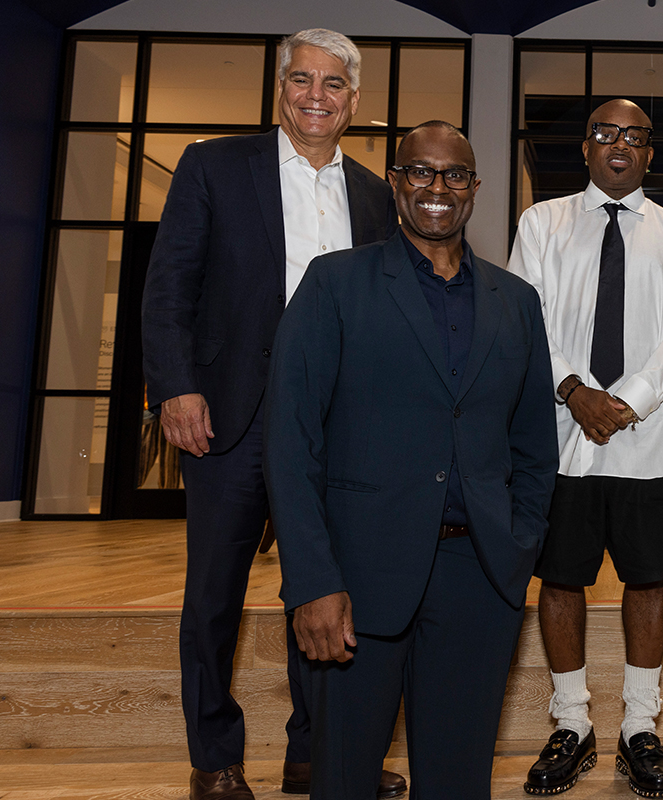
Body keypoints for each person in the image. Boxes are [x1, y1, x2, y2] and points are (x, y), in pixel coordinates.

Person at [140, 29, 403, 800]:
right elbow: (168, 289)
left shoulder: (375, 195)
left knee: (324, 585)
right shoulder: (214, 166)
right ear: (280, 89)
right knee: (214, 592)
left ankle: (314, 754)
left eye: (332, 84)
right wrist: (175, 388)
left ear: (353, 101)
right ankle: (214, 757)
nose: (315, 95)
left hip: (338, 422)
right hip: (230, 413)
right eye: (300, 80)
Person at [264, 121, 558, 799]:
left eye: (453, 174)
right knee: (342, 779)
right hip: (355, 579)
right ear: (397, 182)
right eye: (420, 172)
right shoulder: (336, 283)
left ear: (474, 188)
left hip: (478, 576)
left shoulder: (515, 302)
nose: (436, 187)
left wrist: (519, 545)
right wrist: (310, 580)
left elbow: (534, 446)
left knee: (459, 782)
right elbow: (290, 438)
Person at [507, 99, 663, 798]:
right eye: (604, 132)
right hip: (561, 438)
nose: (618, 144)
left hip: (646, 440)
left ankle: (639, 728)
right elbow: (523, 314)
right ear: (585, 147)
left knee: (648, 579)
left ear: (651, 153)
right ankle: (571, 722)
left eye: (634, 135)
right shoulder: (542, 222)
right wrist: (574, 390)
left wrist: (630, 400)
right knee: (560, 579)